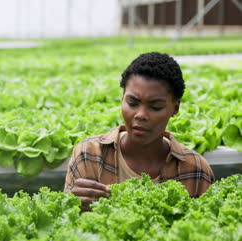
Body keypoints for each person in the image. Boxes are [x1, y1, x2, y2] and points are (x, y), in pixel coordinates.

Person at [65, 52, 215, 211]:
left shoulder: (196, 169)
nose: (141, 115)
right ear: (122, 98)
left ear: (175, 108)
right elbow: (67, 224)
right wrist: (74, 206)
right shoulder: (88, 155)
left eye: (155, 107)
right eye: (132, 103)